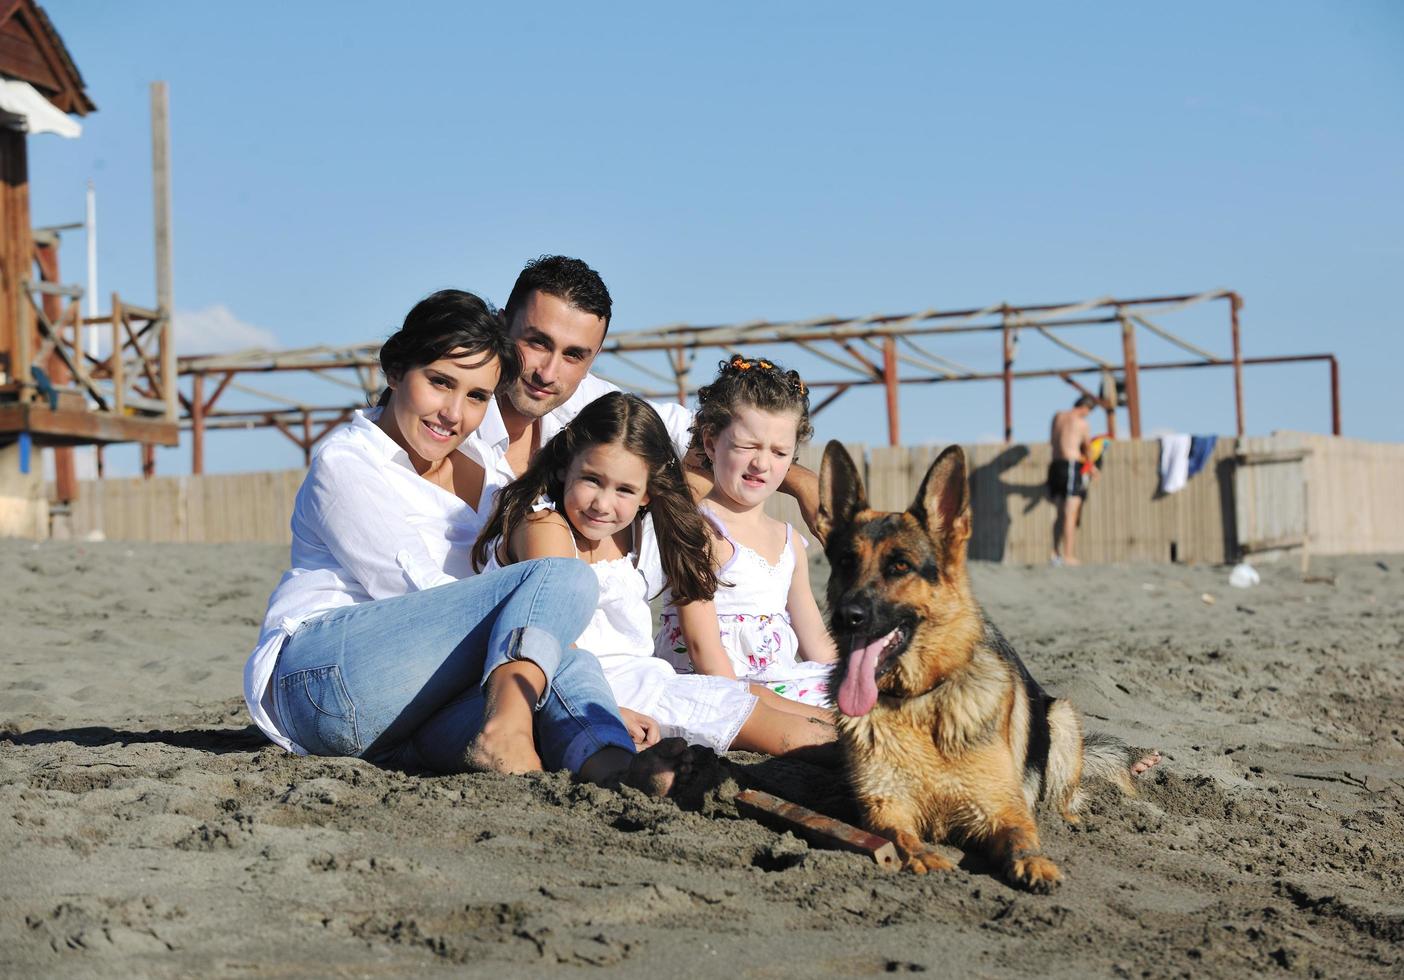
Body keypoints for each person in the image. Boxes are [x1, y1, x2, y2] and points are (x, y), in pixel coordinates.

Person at [242, 290, 691, 795]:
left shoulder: (487, 472)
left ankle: (615, 769)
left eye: (477, 396)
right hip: (323, 681)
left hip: (405, 719)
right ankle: (509, 726)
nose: (453, 413)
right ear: (394, 370)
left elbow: (514, 631)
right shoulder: (347, 463)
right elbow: (418, 592)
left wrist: (591, 697)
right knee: (561, 579)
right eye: (439, 382)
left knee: (571, 665)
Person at [472, 391, 836, 758]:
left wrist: (788, 473)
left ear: (647, 493)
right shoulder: (546, 527)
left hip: (648, 679)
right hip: (590, 693)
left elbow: (714, 467)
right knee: (756, 719)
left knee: (755, 696)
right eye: (592, 480)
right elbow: (552, 641)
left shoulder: (639, 528)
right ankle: (862, 753)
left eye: (625, 489)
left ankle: (875, 738)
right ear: (566, 466)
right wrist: (609, 710)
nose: (603, 503)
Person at [467, 255, 825, 537]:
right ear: (502, 326)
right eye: (537, 342)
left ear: (594, 356)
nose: (547, 372)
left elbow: (706, 433)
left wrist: (804, 484)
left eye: (574, 355)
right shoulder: (446, 415)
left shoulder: (591, 405)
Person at [654, 356, 837, 707]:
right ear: (710, 443)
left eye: (780, 451)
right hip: (713, 687)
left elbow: (816, 641)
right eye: (747, 446)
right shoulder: (697, 529)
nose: (762, 463)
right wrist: (744, 708)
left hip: (775, 685)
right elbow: (701, 647)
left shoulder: (789, 542)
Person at [1048, 394, 1098, 566]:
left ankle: (1054, 553)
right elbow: (1088, 449)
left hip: (1055, 466)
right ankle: (1068, 555)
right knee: (1071, 512)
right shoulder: (1082, 423)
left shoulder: (1058, 416)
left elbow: (1054, 441)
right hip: (1070, 466)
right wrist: (1091, 466)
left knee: (1060, 512)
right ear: (1085, 407)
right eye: (1088, 412)